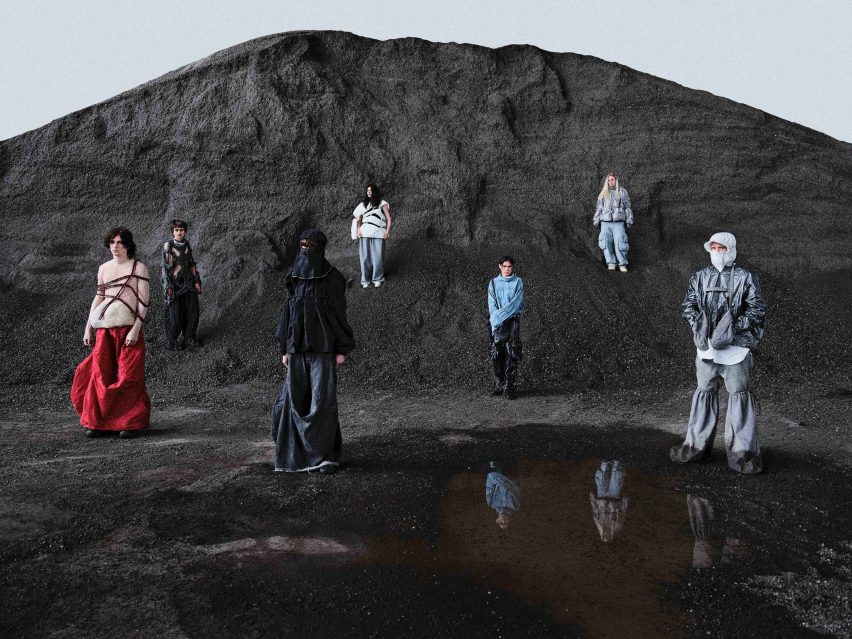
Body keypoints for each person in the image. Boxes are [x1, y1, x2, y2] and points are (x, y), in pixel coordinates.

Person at [670, 232, 766, 474]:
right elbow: (689, 305)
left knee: (739, 396)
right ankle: (696, 446)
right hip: (707, 351)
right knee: (704, 393)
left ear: (731, 250)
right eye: (713, 247)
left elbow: (757, 309)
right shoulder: (700, 277)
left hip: (735, 351)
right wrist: (697, 325)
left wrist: (733, 328)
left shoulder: (745, 278)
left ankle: (742, 453)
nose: (717, 252)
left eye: (721, 248)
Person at [271, 229, 356, 474]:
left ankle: (324, 456)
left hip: (325, 349)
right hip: (296, 348)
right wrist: (285, 348)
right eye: (303, 245)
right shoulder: (293, 277)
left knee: (322, 401)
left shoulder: (333, 278)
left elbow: (339, 314)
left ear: (321, 248)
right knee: (296, 401)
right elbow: (289, 313)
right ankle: (295, 456)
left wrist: (341, 348)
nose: (306, 250)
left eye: (311, 245)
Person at [71, 227, 151, 438]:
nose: (115, 246)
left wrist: (135, 330)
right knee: (100, 374)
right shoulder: (104, 268)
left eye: (120, 242)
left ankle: (130, 422)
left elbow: (143, 303)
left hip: (127, 330)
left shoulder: (139, 268)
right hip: (103, 330)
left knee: (128, 375)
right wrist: (88, 326)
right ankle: (98, 422)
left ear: (128, 245)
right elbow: (99, 298)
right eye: (112, 242)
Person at [161, 219, 202, 350]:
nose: (179, 232)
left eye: (181, 230)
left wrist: (196, 281)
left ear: (185, 231)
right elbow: (166, 268)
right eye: (176, 230)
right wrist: (168, 286)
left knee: (192, 311)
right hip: (175, 285)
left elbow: (191, 264)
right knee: (174, 313)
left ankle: (189, 338)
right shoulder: (168, 246)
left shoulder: (187, 245)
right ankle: (171, 341)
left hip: (189, 284)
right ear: (173, 231)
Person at [488, 256, 524, 399]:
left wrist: (502, 316)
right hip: (496, 323)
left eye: (509, 266)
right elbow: (491, 303)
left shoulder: (518, 282)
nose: (507, 269)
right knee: (497, 354)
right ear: (500, 266)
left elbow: (517, 303)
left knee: (512, 353)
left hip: (512, 322)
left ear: (512, 267)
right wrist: (497, 319)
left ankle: (509, 387)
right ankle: (500, 384)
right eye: (504, 266)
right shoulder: (493, 283)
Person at [352, 183, 392, 288]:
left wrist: (387, 231)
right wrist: (358, 230)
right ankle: (365, 280)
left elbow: (388, 218)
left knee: (377, 257)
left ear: (375, 191)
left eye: (371, 190)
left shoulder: (382, 203)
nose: (369, 192)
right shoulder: (363, 204)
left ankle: (377, 278)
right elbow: (359, 219)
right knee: (365, 257)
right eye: (367, 190)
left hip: (378, 232)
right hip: (365, 232)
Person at [593, 173, 633, 272]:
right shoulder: (603, 193)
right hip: (605, 222)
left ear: (616, 180)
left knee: (621, 242)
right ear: (607, 181)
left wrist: (629, 219)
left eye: (612, 180)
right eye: (609, 180)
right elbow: (599, 208)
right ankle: (611, 263)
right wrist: (596, 219)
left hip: (618, 222)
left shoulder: (622, 191)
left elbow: (628, 206)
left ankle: (622, 264)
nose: (611, 182)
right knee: (605, 242)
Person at [486, 462, 521, 529]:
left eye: (501, 523)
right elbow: (516, 487)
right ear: (510, 520)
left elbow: (489, 486)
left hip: (496, 471)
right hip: (511, 472)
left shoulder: (491, 503)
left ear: (497, 520)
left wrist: (493, 471)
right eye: (506, 522)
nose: (503, 520)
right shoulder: (515, 505)